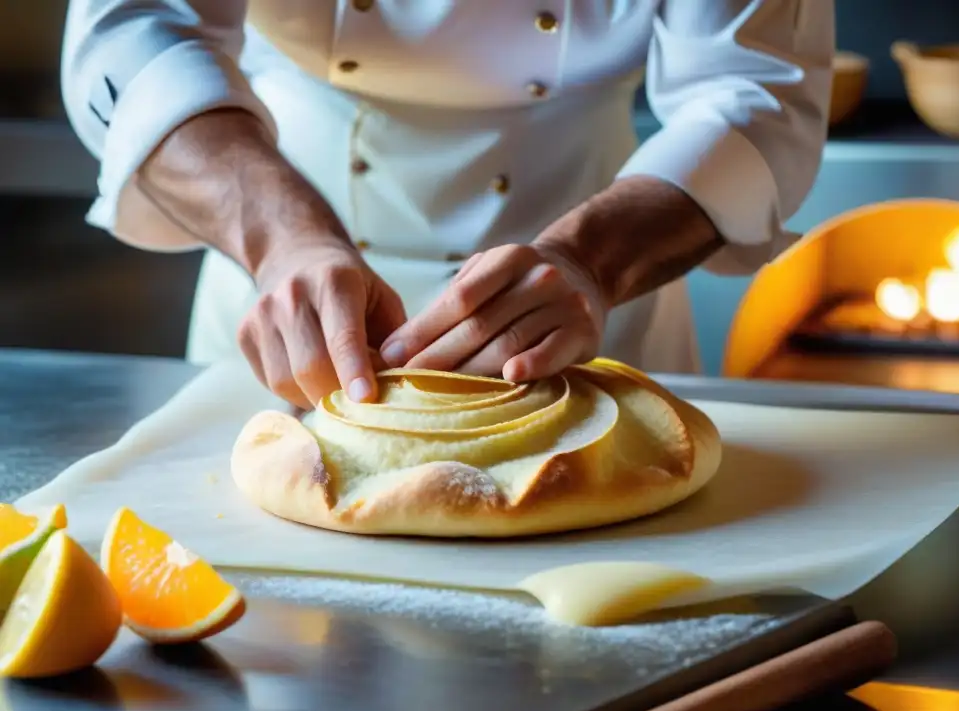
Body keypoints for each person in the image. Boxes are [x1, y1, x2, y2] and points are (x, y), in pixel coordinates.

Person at [61, 0, 833, 409]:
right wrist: (283, 239)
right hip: (280, 309)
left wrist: (585, 260)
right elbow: (135, 36)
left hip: (592, 314)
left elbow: (752, 91)